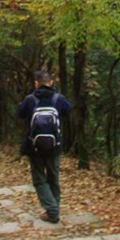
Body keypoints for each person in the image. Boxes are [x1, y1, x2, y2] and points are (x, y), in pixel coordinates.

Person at [18, 70, 72, 224]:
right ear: (51, 83)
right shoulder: (58, 99)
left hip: (34, 146)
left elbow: (20, 113)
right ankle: (53, 209)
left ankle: (52, 210)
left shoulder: (30, 99)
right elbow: (68, 111)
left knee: (39, 179)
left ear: (36, 83)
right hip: (55, 146)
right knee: (53, 177)